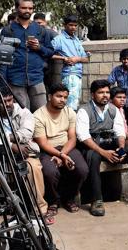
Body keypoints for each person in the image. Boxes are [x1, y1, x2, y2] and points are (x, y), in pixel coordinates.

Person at [76, 80, 128, 216]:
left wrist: (121, 149)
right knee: (92, 157)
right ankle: (96, 199)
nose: (105, 95)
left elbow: (120, 132)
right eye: (100, 93)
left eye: (107, 92)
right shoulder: (84, 110)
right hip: (92, 145)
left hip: (110, 143)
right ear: (93, 95)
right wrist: (104, 153)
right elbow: (83, 136)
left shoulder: (113, 109)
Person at [33, 83, 88, 219]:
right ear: (49, 96)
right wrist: (60, 155)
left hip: (67, 147)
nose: (62, 100)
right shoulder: (38, 116)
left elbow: (72, 139)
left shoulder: (69, 112)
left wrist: (63, 154)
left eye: (65, 97)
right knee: (50, 172)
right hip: (47, 150)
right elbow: (43, 143)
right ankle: (53, 202)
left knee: (82, 169)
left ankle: (68, 198)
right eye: (59, 96)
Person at [0, 89, 48, 221]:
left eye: (9, 100)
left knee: (33, 167)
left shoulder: (24, 112)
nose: (8, 104)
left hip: (24, 153)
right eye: (3, 102)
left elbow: (26, 133)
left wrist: (3, 138)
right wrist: (12, 146)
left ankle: (39, 209)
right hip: (0, 155)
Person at [0, 0, 55, 112]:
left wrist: (39, 47)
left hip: (36, 77)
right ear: (16, 9)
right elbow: (3, 58)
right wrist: (3, 83)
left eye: (30, 8)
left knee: (42, 113)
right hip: (15, 78)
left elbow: (50, 52)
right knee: (21, 113)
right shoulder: (8, 30)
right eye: (24, 8)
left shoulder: (40, 30)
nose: (27, 11)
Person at [52, 14, 90, 111]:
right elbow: (48, 53)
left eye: (75, 25)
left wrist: (77, 59)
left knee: (74, 103)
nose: (73, 27)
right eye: (70, 25)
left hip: (77, 74)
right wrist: (64, 58)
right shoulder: (59, 39)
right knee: (70, 106)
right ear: (65, 25)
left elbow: (86, 59)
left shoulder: (76, 39)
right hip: (70, 75)